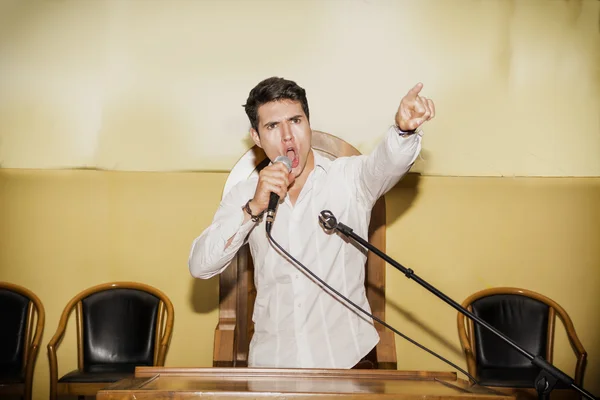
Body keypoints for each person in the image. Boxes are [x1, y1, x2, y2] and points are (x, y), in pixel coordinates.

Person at [189, 77, 435, 369]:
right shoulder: (244, 194)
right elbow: (201, 265)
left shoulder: (349, 179)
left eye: (295, 120)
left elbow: (387, 163)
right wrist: (253, 208)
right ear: (256, 136)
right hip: (272, 365)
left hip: (347, 362)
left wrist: (404, 131)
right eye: (272, 126)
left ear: (308, 124)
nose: (287, 136)